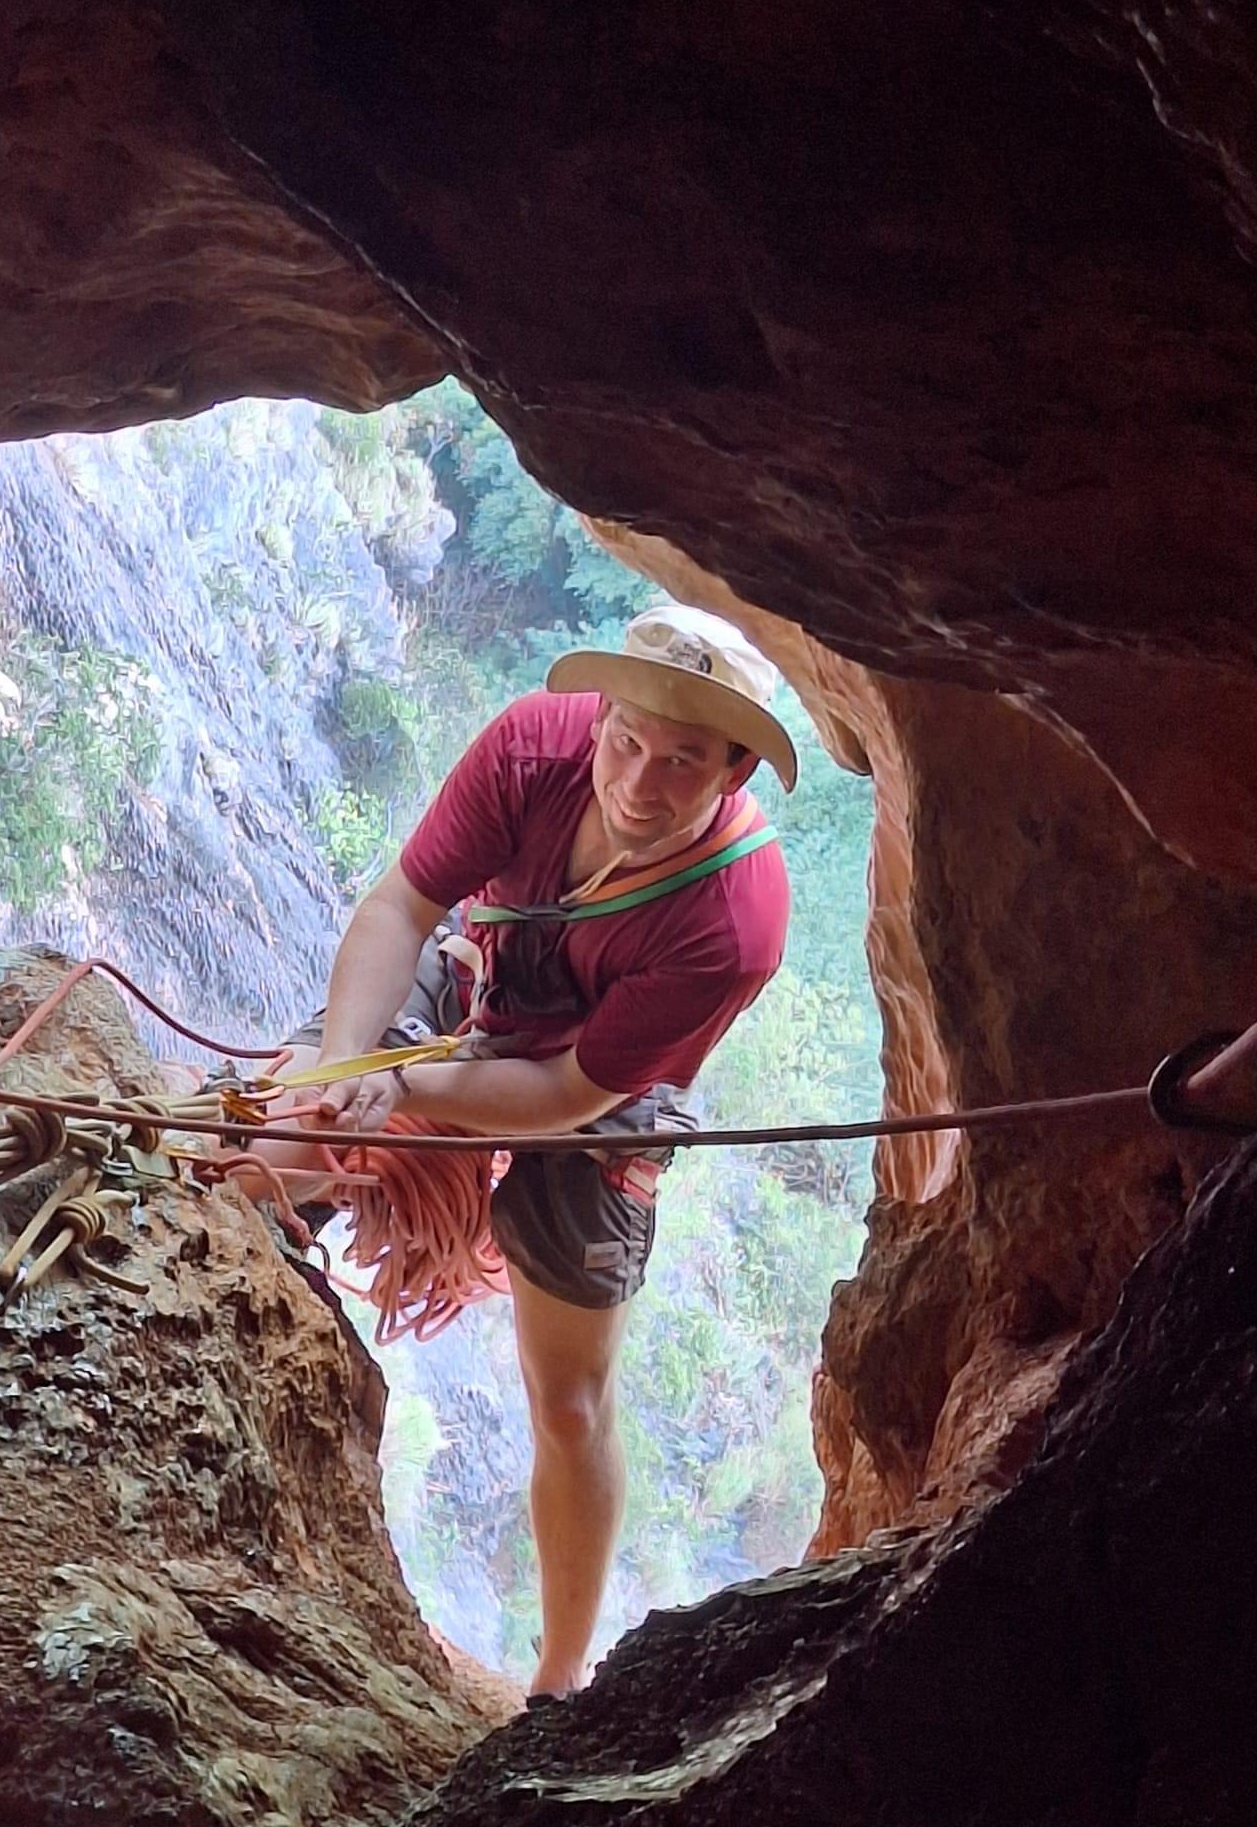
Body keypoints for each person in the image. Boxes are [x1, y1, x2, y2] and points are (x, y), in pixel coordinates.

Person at [251, 603, 793, 1701]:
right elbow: (404, 904)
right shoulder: (533, 746)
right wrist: (344, 1071)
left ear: (735, 769)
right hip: (487, 975)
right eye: (626, 741)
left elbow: (570, 1090)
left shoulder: (734, 919)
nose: (638, 782)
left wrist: (401, 1084)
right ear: (599, 714)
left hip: (601, 1088)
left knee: (568, 1401)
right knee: (273, 1143)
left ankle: (556, 1680)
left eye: (681, 763)